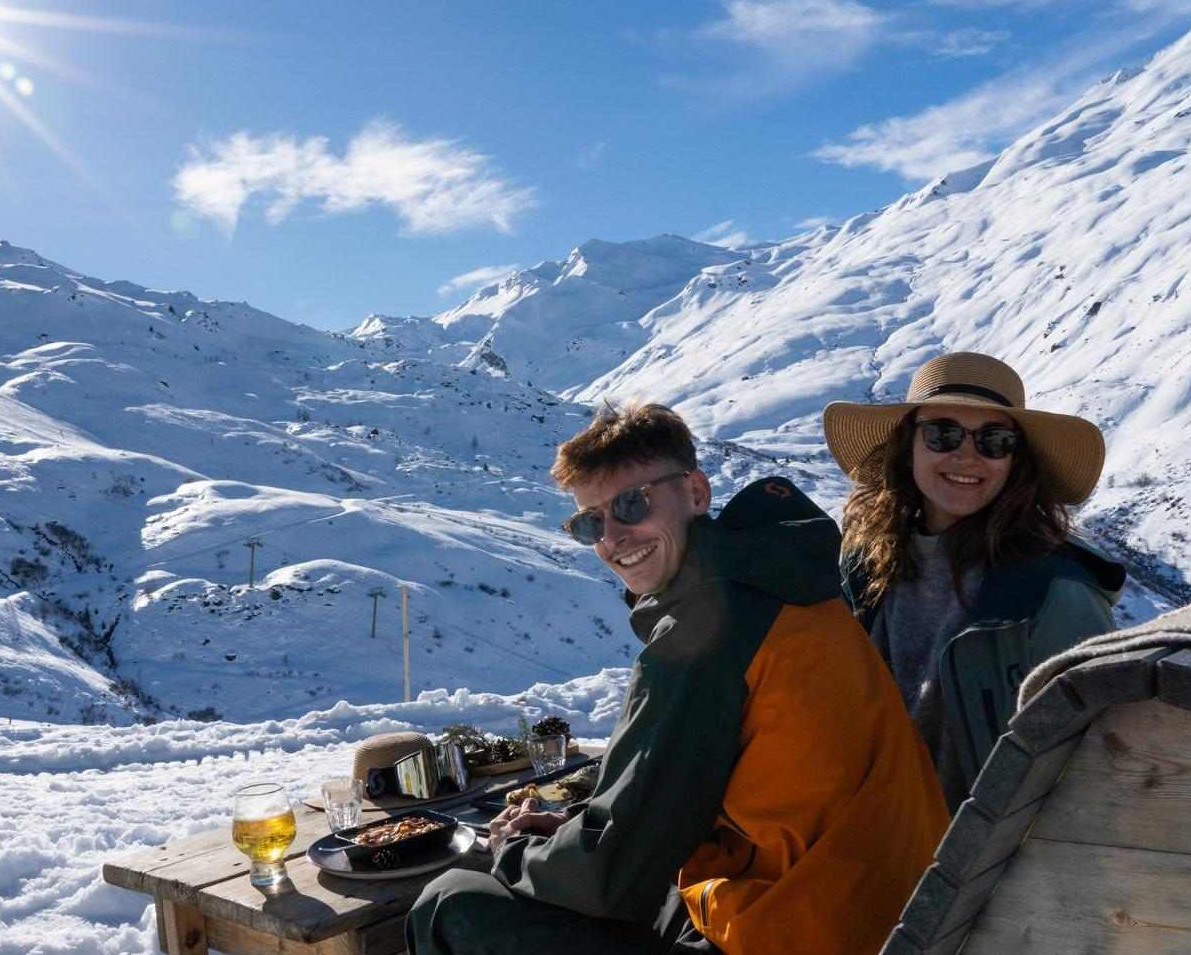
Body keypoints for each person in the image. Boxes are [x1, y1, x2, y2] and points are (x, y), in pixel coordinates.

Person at [407, 401, 947, 955]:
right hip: (878, 909)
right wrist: (576, 828)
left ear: (695, 492)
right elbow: (692, 805)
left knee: (450, 901)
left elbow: (610, 878)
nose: (613, 537)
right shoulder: (788, 588)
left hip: (796, 930)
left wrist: (513, 847)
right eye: (590, 522)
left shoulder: (709, 632)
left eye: (631, 503)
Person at [823, 351, 1125, 811]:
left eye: (994, 440)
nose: (966, 454)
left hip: (980, 864)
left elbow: (1096, 760)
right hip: (864, 843)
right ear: (908, 447)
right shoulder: (863, 567)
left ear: (1016, 461)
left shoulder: (1056, 593)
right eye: (942, 434)